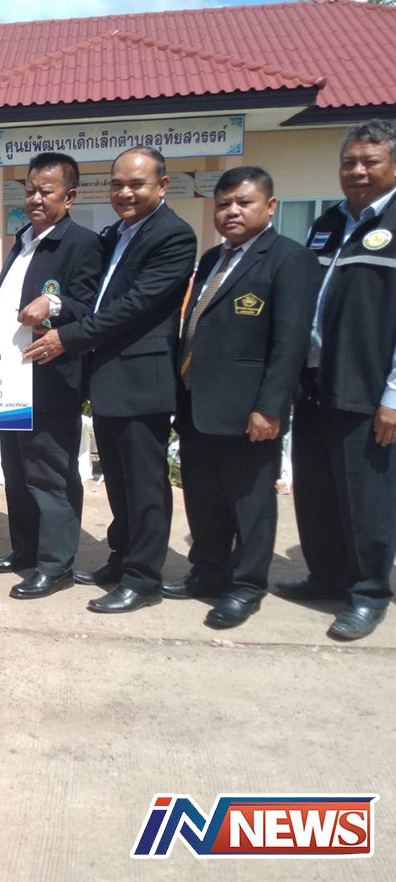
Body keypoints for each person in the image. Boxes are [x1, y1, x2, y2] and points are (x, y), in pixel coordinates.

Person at [31, 146, 196, 613]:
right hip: (106, 377)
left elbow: (134, 306)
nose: (124, 193)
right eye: (117, 184)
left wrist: (67, 337)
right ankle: (122, 559)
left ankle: (143, 579)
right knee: (120, 482)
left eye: (136, 184)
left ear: (162, 186)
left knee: (145, 487)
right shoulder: (114, 234)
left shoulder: (173, 236)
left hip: (142, 379)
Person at [168, 167, 320, 627]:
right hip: (199, 403)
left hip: (249, 410)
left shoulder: (289, 259)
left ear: (270, 207)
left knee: (250, 504)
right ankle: (208, 571)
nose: (231, 211)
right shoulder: (213, 257)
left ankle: (247, 585)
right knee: (203, 499)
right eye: (223, 204)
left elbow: (290, 344)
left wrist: (270, 408)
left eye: (243, 202)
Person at [277, 120, 396, 640]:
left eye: (370, 161)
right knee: (316, 489)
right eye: (349, 162)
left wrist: (394, 396)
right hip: (315, 383)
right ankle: (326, 576)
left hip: (367, 387)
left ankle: (369, 592)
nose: (358, 171)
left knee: (367, 499)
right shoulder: (326, 222)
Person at [0, 153, 103, 600]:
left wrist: (53, 304)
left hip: (51, 379)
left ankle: (56, 565)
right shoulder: (23, 240)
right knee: (17, 471)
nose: (34, 199)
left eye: (45, 191)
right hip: (10, 378)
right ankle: (27, 549)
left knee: (50, 474)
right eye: (30, 190)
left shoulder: (82, 243)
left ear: (69, 197)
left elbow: (90, 307)